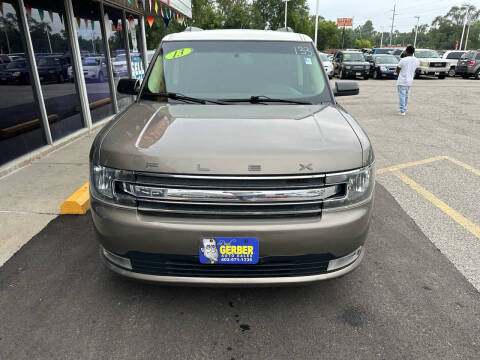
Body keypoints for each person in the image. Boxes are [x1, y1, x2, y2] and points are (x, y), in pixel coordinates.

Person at [395, 45, 420, 116]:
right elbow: (416, 69)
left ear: (406, 51)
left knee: (402, 95)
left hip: (402, 81)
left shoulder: (403, 60)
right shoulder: (416, 60)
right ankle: (404, 109)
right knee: (406, 95)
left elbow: (397, 69)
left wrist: (399, 75)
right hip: (410, 81)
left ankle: (402, 111)